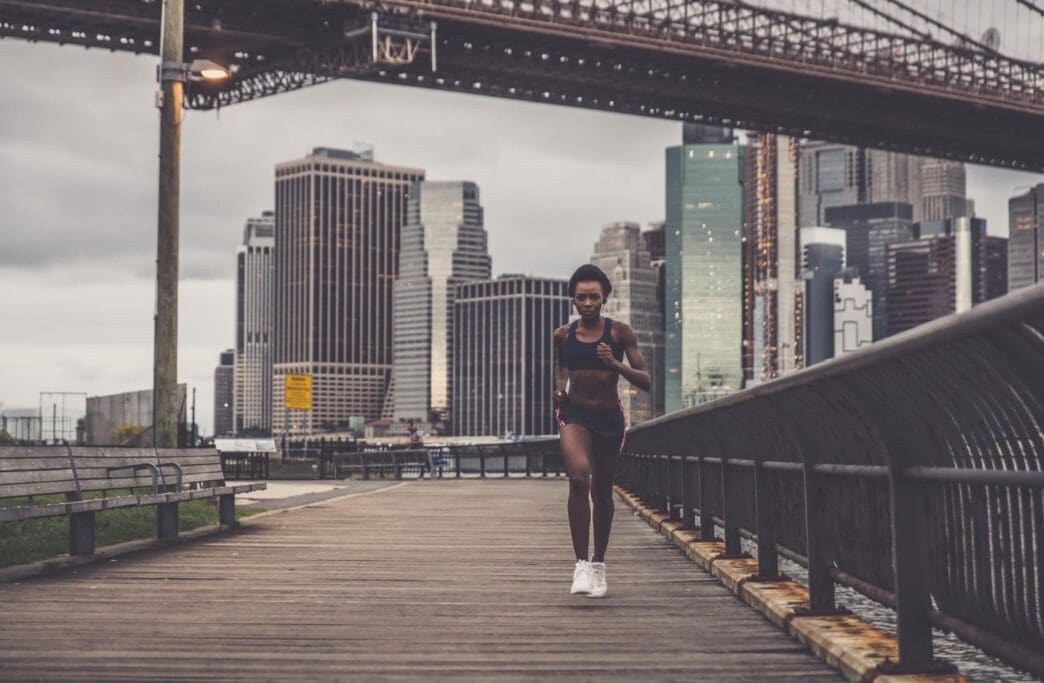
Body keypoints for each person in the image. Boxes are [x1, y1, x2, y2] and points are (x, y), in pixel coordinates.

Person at [553, 264, 651, 598]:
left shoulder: (620, 334)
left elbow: (645, 381)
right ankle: (580, 564)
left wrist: (615, 364)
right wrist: (560, 389)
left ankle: (598, 565)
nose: (588, 302)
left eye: (594, 296)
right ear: (573, 300)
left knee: (603, 494)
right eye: (581, 297)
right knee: (579, 478)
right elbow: (561, 366)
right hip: (574, 414)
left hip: (609, 418)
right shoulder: (563, 335)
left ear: (605, 298)